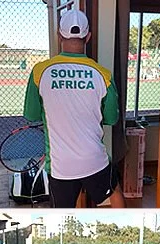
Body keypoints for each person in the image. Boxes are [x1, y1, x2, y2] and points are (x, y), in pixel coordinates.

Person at [23, 10, 125, 208]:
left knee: (62, 211)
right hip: (95, 161)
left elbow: (32, 115)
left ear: (59, 36)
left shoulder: (40, 71)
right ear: (88, 37)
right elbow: (111, 119)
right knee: (115, 193)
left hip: (61, 166)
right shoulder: (103, 74)